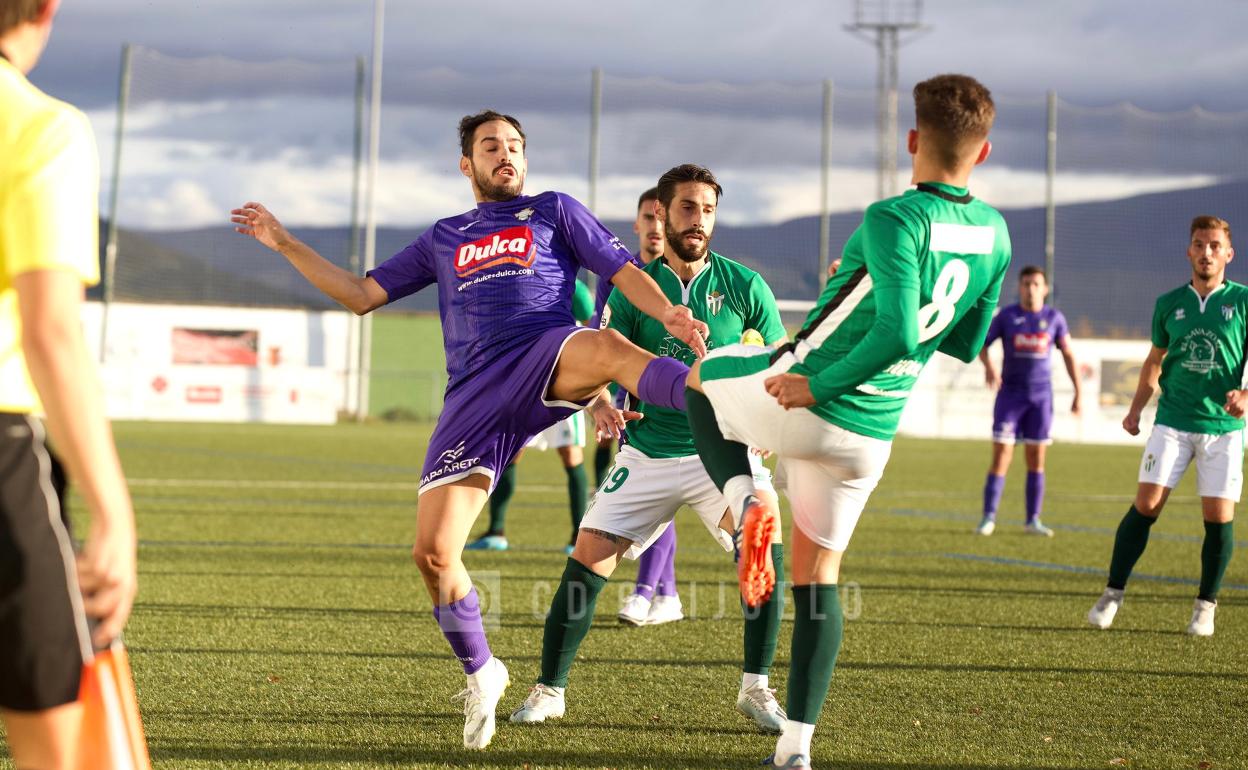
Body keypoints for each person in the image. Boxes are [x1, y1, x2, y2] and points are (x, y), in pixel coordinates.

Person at [232, 110, 708, 750]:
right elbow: (360, 292)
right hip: (474, 398)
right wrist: (284, 242)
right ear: (467, 164)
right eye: (491, 146)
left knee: (611, 343)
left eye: (515, 145)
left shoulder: (555, 211)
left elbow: (622, 273)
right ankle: (484, 672)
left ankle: (716, 400)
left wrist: (672, 314)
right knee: (433, 554)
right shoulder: (444, 235)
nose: (506, 154)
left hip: (545, 348)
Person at [684, 74, 1010, 768]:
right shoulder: (997, 232)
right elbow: (962, 341)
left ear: (913, 140)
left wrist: (816, 383)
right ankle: (796, 749)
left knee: (696, 379)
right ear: (983, 153)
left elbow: (893, 329)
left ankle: (745, 506)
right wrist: (856, 289)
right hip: (871, 438)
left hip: (801, 397)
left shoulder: (894, 217)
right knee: (818, 578)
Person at [507, 163, 791, 732]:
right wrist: (600, 402)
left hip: (726, 453)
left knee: (764, 543)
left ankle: (757, 688)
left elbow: (779, 366)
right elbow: (601, 355)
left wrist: (765, 433)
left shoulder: (746, 286)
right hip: (648, 453)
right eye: (688, 207)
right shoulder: (635, 287)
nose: (699, 220)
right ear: (663, 213)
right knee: (587, 556)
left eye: (708, 209)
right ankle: (549, 689)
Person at [1, 1, 140, 767]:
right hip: (1, 450)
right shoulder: (39, 126)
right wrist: (113, 508)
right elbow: (50, 327)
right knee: (51, 728)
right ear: (46, 9)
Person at [1087, 215, 1243, 637]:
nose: (1206, 252)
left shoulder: (1243, 302)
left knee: (1218, 516)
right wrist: (1137, 407)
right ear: (1189, 251)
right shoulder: (1168, 302)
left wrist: (1245, 395)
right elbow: (1155, 360)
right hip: (1172, 421)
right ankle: (1112, 593)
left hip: (1223, 428)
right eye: (1199, 244)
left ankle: (1205, 606)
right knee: (1147, 505)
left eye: (1214, 246)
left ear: (1229, 253)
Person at [466, 278, 597, 554]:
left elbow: (589, 325)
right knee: (510, 453)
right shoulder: (516, 280)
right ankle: (496, 531)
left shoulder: (572, 286)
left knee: (571, 455)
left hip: (561, 383)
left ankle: (578, 538)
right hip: (525, 383)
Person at [975, 265, 1081, 537]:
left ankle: (1032, 520)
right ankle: (988, 517)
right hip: (1010, 396)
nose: (1030, 289)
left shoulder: (1055, 318)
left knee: (1036, 459)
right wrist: (988, 367)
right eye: (1026, 284)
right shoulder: (1007, 317)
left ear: (1045, 289)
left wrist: (1078, 392)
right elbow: (982, 344)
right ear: (1019, 287)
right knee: (1001, 456)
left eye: (1036, 284)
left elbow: (1069, 355)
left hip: (1040, 398)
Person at [590, 187, 666, 489]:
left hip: (689, 401)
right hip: (635, 402)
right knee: (646, 513)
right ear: (637, 224)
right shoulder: (616, 277)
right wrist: (599, 400)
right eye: (648, 218)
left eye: (661, 218)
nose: (655, 226)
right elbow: (603, 341)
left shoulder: (696, 276)